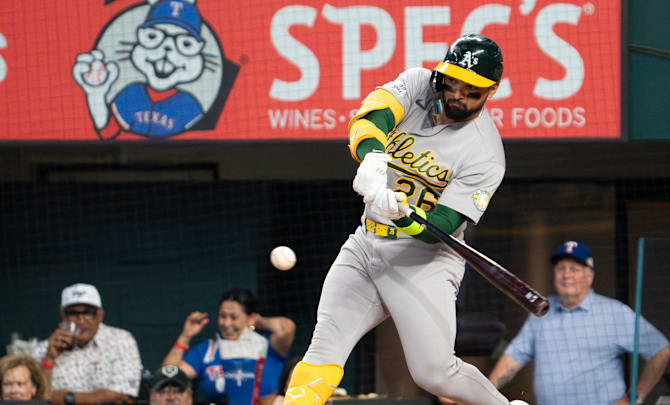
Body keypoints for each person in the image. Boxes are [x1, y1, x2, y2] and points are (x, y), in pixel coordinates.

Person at [282, 34, 523, 405]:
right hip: (365, 246)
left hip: (423, 260)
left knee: (434, 373)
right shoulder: (416, 84)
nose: (457, 94)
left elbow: (442, 226)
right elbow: (370, 118)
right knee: (324, 345)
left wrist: (406, 216)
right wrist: (374, 159)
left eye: (471, 89)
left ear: (491, 91)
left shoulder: (486, 153)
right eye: (452, 81)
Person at [488, 241, 670, 405]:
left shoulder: (613, 312)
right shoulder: (542, 310)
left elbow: (661, 350)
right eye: (561, 268)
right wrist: (483, 395)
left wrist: (637, 397)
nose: (565, 275)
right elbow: (512, 359)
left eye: (573, 269)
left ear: (589, 276)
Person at [162, 288, 295, 405]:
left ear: (250, 317)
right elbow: (168, 375)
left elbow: (286, 328)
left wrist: (256, 320)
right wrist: (185, 336)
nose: (226, 323)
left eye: (233, 317)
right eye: (222, 316)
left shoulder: (266, 347)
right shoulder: (207, 350)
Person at [31, 283, 143, 405]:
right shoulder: (43, 348)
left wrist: (68, 399)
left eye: (88, 312)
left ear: (100, 315)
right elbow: (40, 398)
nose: (81, 319)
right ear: (63, 315)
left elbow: (123, 393)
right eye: (73, 313)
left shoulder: (121, 340)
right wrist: (49, 359)